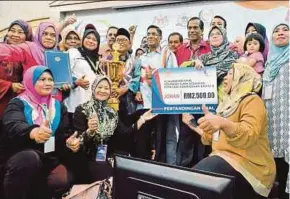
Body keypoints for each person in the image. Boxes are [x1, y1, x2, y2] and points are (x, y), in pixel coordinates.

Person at [183, 63, 276, 199]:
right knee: (191, 181)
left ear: (243, 78)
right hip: (223, 160)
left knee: (199, 179)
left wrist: (222, 122)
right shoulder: (225, 105)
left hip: (250, 167)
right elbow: (212, 138)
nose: (225, 78)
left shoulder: (252, 100)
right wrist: (193, 125)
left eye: (231, 74)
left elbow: (249, 134)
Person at [0, 65, 78, 199]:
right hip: (20, 155)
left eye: (50, 79)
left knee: (63, 178)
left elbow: (63, 133)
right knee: (29, 159)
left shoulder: (58, 105)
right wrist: (33, 132)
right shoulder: (18, 103)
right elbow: (13, 124)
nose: (47, 83)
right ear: (30, 81)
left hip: (47, 156)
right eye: (41, 79)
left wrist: (69, 142)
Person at [65, 75, 157, 183]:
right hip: (87, 158)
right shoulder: (82, 110)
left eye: (106, 88)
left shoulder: (111, 112)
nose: (103, 91)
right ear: (93, 88)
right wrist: (90, 131)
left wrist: (142, 119)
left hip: (105, 158)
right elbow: (78, 142)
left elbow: (125, 133)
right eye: (100, 87)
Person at [262, 23, 289, 199]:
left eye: (285, 30)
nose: (280, 33)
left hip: (288, 119)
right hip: (272, 120)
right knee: (274, 160)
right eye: (276, 31)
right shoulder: (269, 62)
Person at [63, 24, 103, 124]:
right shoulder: (73, 52)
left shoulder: (97, 59)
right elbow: (63, 73)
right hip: (73, 104)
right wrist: (75, 81)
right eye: (88, 37)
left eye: (94, 40)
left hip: (90, 107)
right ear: (83, 39)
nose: (91, 41)